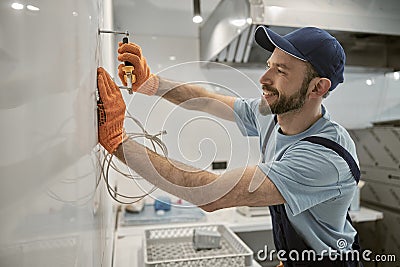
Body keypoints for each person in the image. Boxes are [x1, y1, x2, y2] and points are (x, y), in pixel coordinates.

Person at [97, 26, 362, 266]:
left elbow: (210, 193)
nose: (264, 78)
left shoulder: (325, 157)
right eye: (270, 65)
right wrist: (152, 84)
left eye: (280, 71)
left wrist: (119, 143)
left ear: (318, 87)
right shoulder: (270, 114)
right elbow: (207, 100)